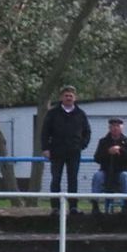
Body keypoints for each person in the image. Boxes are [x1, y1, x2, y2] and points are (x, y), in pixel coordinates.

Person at [40, 85, 91, 215]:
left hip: (74, 152)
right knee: (55, 179)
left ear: (75, 98)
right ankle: (55, 207)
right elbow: (45, 132)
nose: (68, 98)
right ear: (61, 98)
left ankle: (73, 206)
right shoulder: (53, 113)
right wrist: (45, 148)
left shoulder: (80, 114)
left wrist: (81, 145)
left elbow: (87, 132)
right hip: (56, 151)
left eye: (71, 96)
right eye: (66, 96)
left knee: (73, 179)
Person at [91, 117, 127, 215]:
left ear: (122, 128)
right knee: (97, 176)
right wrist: (108, 152)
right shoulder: (103, 142)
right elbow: (97, 158)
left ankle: (126, 206)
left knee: (125, 176)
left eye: (118, 126)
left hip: (121, 173)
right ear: (109, 128)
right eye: (113, 126)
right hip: (106, 173)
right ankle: (95, 205)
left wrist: (121, 150)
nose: (115, 128)